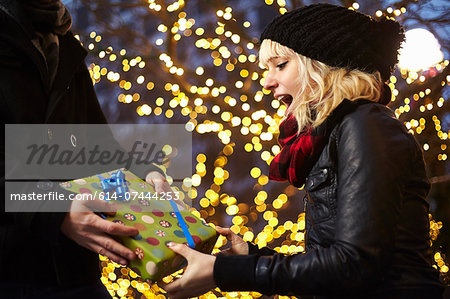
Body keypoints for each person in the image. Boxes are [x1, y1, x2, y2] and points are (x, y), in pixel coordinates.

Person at [162, 4, 445, 299]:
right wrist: (248, 256)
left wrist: (223, 271)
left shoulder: (365, 125)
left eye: (280, 65)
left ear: (323, 64)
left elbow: (353, 265)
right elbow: (334, 264)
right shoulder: (330, 134)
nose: (267, 82)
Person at [0, 0, 170, 297]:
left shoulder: (62, 40)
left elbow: (95, 146)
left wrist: (146, 173)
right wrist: (54, 210)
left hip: (74, 270)